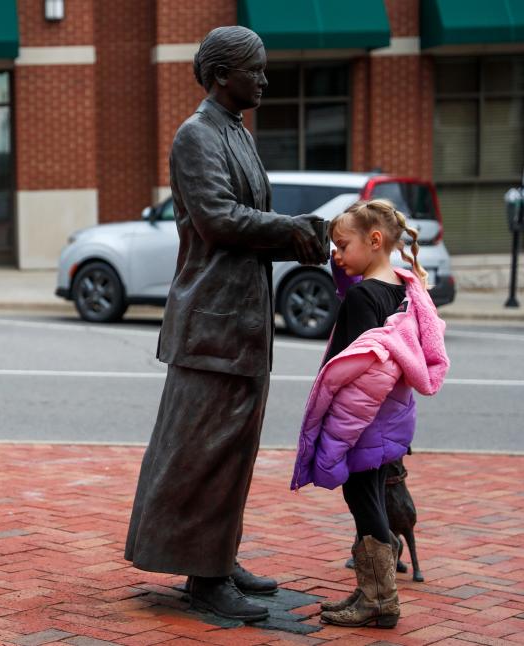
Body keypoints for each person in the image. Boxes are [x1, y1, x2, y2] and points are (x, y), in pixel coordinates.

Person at [124, 26, 329, 623]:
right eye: (255, 70)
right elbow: (218, 219)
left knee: (233, 449)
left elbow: (248, 216)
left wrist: (297, 239)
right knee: (202, 451)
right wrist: (294, 231)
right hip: (211, 322)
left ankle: (219, 555)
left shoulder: (233, 131)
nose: (264, 80)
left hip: (241, 321)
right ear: (220, 75)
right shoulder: (197, 135)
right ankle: (205, 578)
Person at [291, 199, 450, 628]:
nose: (336, 256)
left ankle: (380, 600)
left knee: (362, 500)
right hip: (391, 418)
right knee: (372, 496)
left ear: (374, 240)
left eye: (342, 246)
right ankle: (370, 590)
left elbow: (361, 375)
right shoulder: (402, 289)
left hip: (363, 422)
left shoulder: (364, 296)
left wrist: (337, 435)